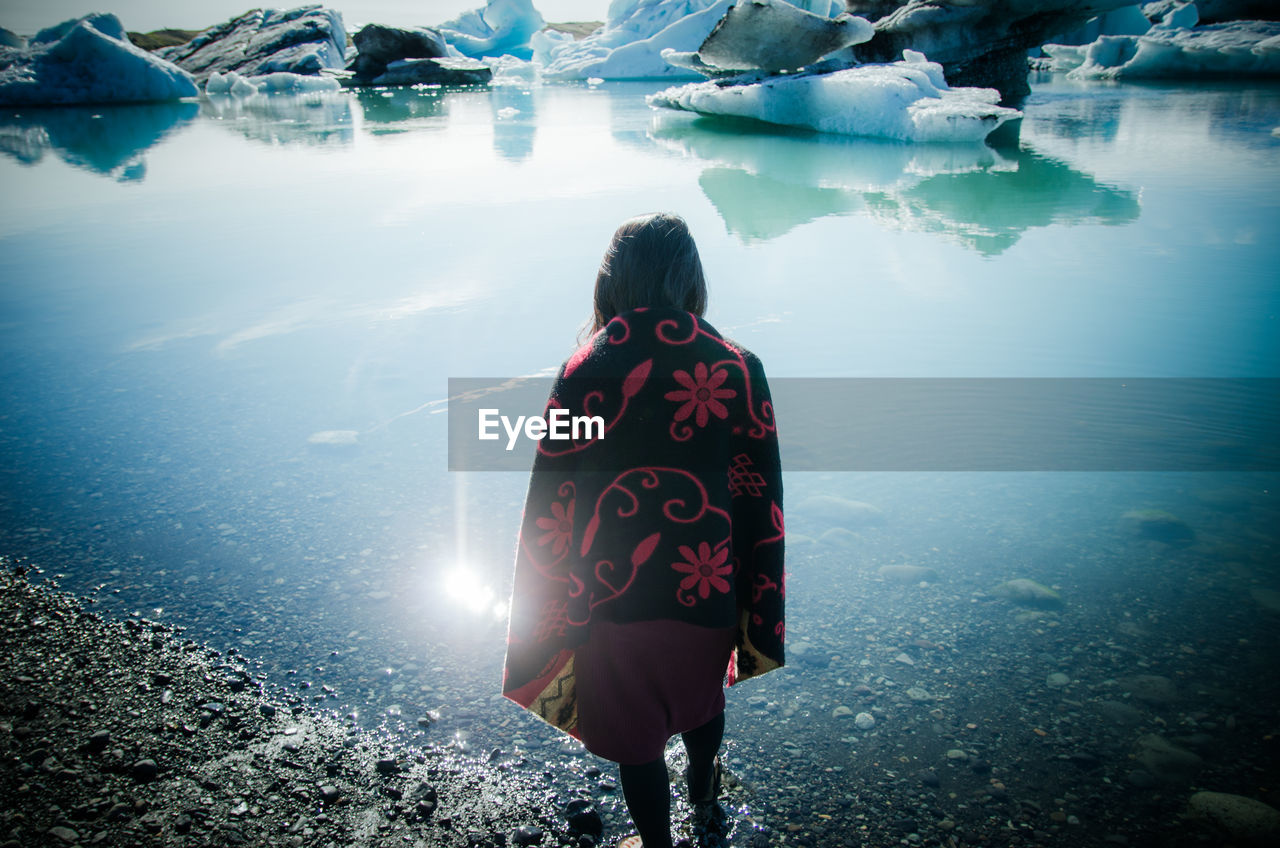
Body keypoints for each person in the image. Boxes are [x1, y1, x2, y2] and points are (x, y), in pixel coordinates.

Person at [502, 213, 786, 848]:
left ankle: (658, 844)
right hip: (707, 587)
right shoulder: (739, 368)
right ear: (692, 283)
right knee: (704, 701)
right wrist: (753, 600)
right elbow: (758, 493)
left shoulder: (584, 371)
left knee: (636, 740)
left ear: (612, 285)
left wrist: (546, 607)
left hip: (611, 599)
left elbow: (553, 499)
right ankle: (707, 801)